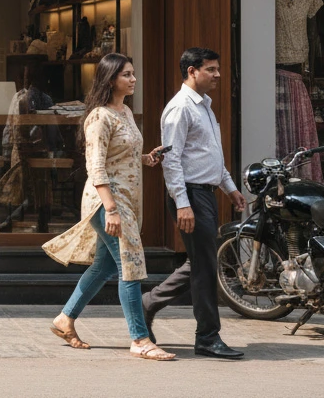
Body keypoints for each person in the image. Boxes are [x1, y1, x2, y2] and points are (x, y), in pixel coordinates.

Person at [42, 53, 173, 360]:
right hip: (108, 202)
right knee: (130, 266)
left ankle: (65, 319)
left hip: (125, 200)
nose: (133, 79)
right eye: (127, 74)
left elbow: (120, 156)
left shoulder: (125, 111)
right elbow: (96, 167)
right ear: (111, 79)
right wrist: (111, 209)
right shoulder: (99, 117)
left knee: (104, 266)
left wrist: (146, 159)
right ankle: (139, 339)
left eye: (133, 74)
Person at [141, 47, 248, 359]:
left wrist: (229, 188)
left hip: (205, 192)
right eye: (211, 70)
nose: (217, 75)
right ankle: (207, 337)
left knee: (201, 262)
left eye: (217, 69)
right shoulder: (180, 109)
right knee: (205, 268)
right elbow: (171, 161)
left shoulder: (206, 106)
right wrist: (183, 203)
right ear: (191, 71)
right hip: (190, 194)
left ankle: (148, 303)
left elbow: (209, 155)